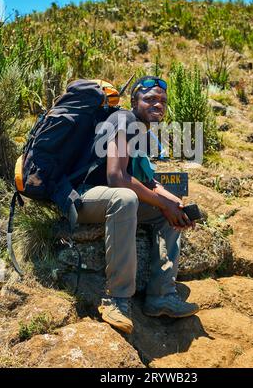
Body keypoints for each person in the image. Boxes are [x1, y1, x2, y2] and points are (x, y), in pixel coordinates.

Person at [76, 76, 199, 334]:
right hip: (82, 198)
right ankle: (116, 299)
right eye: (150, 99)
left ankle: (161, 296)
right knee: (126, 197)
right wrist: (162, 202)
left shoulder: (141, 130)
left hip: (106, 198)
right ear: (134, 101)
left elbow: (147, 180)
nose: (158, 105)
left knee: (167, 212)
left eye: (163, 101)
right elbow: (117, 177)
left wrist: (170, 201)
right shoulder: (124, 120)